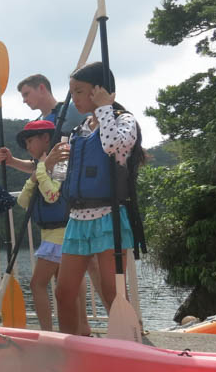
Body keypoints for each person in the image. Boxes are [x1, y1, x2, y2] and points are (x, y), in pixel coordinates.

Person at [46, 62, 144, 335]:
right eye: (72, 92)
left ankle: (131, 346)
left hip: (108, 216)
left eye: (79, 91)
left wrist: (104, 108)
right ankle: (72, 350)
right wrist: (51, 163)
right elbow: (64, 176)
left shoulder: (123, 120)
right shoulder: (80, 130)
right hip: (78, 219)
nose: (74, 98)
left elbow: (113, 147)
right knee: (64, 291)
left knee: (113, 292)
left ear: (99, 91)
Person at [14, 120, 69, 330]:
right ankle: (69, 330)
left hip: (59, 235)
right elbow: (23, 201)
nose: (27, 147)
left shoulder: (61, 164)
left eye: (30, 141)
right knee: (61, 289)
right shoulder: (42, 167)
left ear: (46, 138)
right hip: (51, 235)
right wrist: (38, 174)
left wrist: (41, 172)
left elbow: (53, 195)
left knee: (37, 284)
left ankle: (48, 332)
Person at [0, 73, 86, 174]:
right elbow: (39, 166)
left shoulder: (72, 110)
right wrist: (12, 161)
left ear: (41, 88)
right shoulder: (36, 124)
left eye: (26, 94)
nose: (24, 101)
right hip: (53, 186)